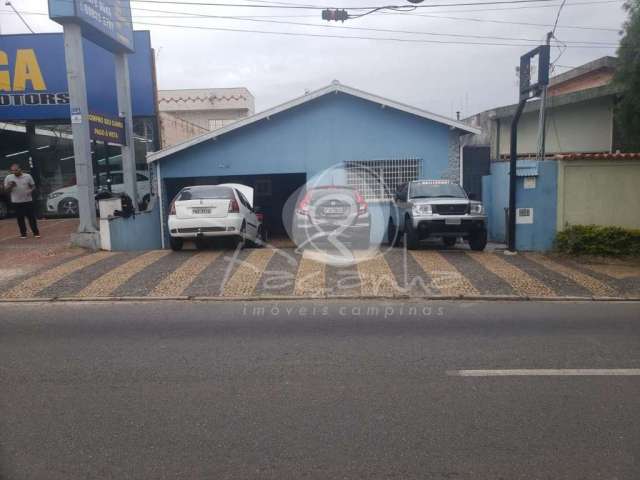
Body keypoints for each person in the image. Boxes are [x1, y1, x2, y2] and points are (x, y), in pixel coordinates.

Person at [3, 164, 40, 239]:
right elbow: (5, 190)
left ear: (20, 169)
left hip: (27, 200)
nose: (14, 172)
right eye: (12, 170)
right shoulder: (8, 177)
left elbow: (33, 186)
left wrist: (30, 191)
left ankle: (36, 232)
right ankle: (23, 234)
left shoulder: (27, 176)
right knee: (20, 219)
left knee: (31, 218)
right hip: (16, 202)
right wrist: (10, 186)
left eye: (16, 170)